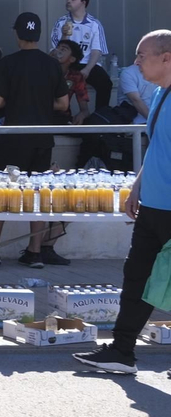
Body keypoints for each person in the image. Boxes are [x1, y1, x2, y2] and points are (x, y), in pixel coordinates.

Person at [74, 30, 171, 374]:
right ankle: (121, 351)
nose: (136, 62)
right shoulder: (159, 94)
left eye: (142, 55)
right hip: (153, 207)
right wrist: (137, 187)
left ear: (166, 57)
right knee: (136, 277)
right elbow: (157, 146)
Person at [0, 13, 72, 268]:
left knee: (2, 192)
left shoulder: (8, 63)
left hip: (13, 136)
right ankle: (35, 252)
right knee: (37, 193)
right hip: (41, 137)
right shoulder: (51, 65)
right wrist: (38, 102)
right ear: (38, 35)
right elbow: (63, 103)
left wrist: (21, 100)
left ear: (17, 34)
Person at [51, 0, 111, 111]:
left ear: (83, 2)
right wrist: (64, 35)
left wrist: (88, 70)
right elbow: (58, 52)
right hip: (67, 63)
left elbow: (96, 51)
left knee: (106, 83)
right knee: (57, 84)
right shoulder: (61, 22)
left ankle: (100, 117)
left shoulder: (94, 24)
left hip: (87, 63)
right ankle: (61, 118)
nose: (68, 1)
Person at [119, 57, 162, 124]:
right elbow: (136, 100)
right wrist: (156, 123)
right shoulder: (128, 73)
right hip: (137, 123)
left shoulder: (165, 71)